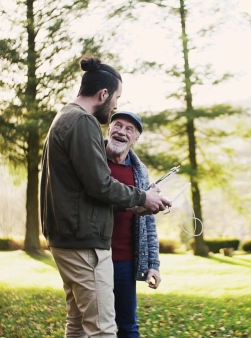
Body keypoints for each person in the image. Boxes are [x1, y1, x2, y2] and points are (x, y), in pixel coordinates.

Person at [40, 56, 171, 338]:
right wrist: (143, 198)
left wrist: (137, 204)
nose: (115, 106)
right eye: (116, 98)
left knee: (76, 323)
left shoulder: (63, 118)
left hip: (66, 238)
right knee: (102, 329)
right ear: (103, 94)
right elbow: (100, 185)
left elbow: (83, 187)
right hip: (84, 242)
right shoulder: (83, 122)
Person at [105, 111, 161, 338]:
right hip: (92, 257)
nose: (122, 132)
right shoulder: (92, 163)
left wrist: (153, 264)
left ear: (135, 139)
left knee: (128, 326)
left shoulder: (140, 171)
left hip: (125, 263)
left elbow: (148, 222)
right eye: (117, 125)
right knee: (94, 323)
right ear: (108, 130)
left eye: (129, 129)